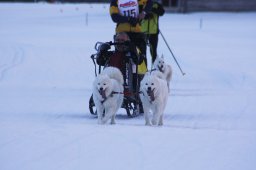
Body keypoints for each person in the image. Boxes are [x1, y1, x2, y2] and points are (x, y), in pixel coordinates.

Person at [109, 0, 153, 67]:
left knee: (141, 60)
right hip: (122, 34)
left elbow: (149, 2)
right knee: (120, 60)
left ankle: (142, 76)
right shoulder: (115, 1)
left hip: (137, 32)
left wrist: (144, 12)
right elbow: (114, 17)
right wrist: (129, 19)